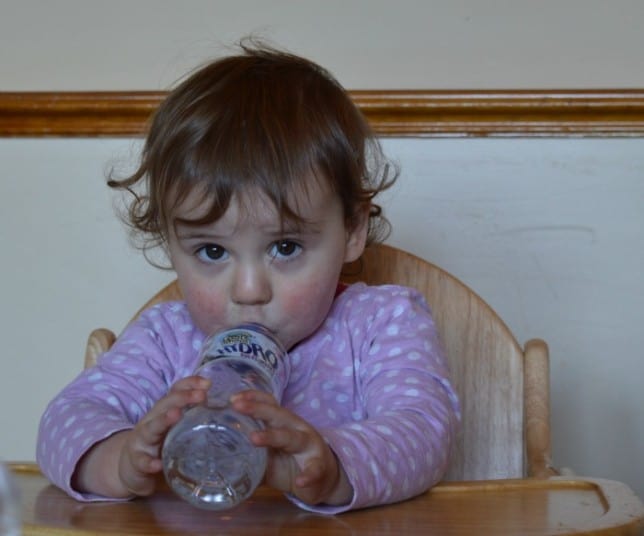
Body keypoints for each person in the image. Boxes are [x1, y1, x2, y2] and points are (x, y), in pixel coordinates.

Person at [36, 41, 460, 514]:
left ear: (352, 230)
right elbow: (64, 420)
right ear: (170, 245)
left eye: (285, 247)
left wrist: (329, 466)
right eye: (213, 251)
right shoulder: (166, 340)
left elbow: (423, 431)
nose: (249, 291)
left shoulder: (381, 325)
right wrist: (119, 460)